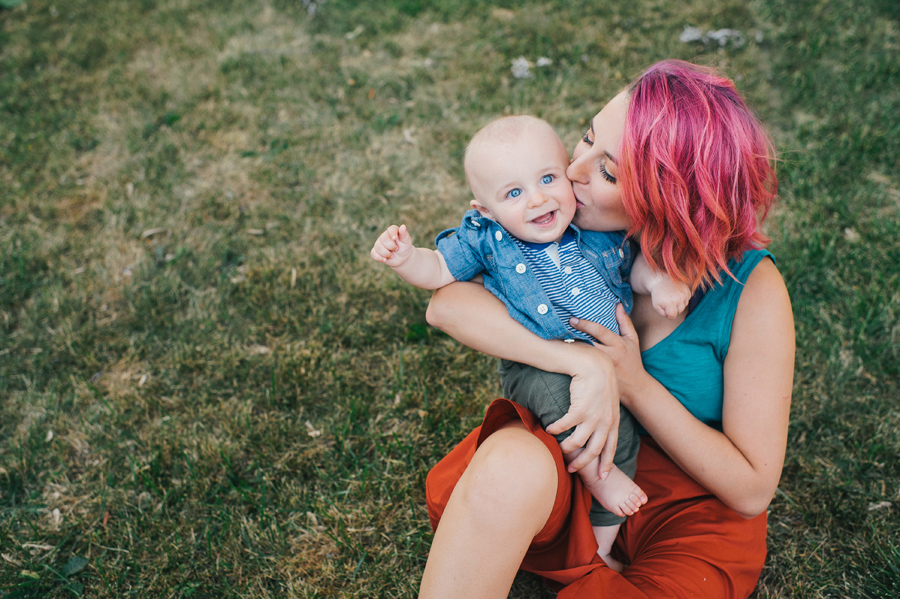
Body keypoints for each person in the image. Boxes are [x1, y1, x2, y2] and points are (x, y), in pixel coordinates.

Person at [418, 59, 795, 599]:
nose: (571, 173)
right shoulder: (549, 218)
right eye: (586, 140)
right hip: (578, 465)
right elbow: (446, 307)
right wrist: (583, 362)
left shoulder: (751, 291)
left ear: (670, 196)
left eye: (609, 172)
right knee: (508, 467)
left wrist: (631, 380)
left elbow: (752, 489)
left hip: (688, 514)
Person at [370, 115, 691, 569]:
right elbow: (440, 271)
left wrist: (659, 284)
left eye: (546, 178)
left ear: (566, 174)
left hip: (609, 364)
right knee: (573, 415)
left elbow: (632, 271)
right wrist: (406, 259)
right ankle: (600, 477)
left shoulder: (597, 233)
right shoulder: (488, 239)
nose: (538, 199)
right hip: (538, 366)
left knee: (622, 438)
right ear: (485, 210)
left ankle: (599, 550)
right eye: (514, 193)